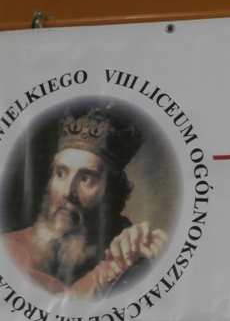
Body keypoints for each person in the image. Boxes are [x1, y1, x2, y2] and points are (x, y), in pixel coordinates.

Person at [3, 105, 167, 299]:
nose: (67, 192)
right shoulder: (9, 251)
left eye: (86, 178)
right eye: (61, 173)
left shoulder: (125, 246)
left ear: (111, 192)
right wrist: (112, 268)